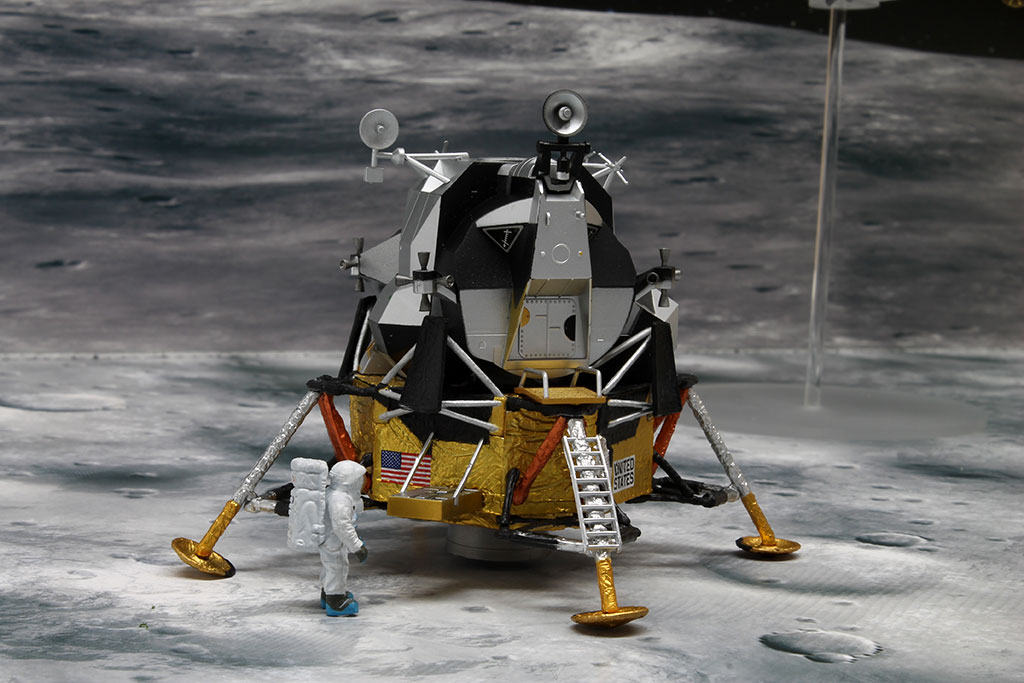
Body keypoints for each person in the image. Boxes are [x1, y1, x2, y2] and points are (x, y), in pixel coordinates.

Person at [319, 460, 369, 616]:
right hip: (333, 540)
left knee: (329, 567)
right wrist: (357, 546)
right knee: (337, 567)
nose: (362, 483)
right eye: (360, 480)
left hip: (329, 539)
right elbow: (342, 526)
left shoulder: (332, 493)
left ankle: (328, 593)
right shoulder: (340, 500)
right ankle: (335, 601)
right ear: (351, 482)